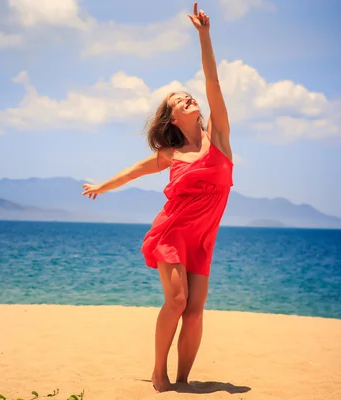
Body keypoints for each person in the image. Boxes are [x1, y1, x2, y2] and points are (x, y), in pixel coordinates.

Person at [81, 2, 233, 393]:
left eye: (187, 96)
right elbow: (134, 171)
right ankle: (158, 371)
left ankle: (183, 382)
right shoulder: (170, 155)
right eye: (178, 101)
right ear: (173, 119)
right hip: (172, 232)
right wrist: (102, 186)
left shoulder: (218, 137)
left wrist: (204, 35)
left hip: (203, 238)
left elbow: (213, 84)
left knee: (196, 314)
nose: (188, 99)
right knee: (179, 301)